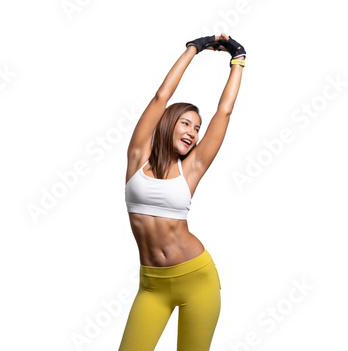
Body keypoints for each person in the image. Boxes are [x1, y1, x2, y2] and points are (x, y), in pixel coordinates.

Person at [119, 33, 246, 351]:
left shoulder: (191, 169)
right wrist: (195, 48)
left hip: (196, 279)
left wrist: (238, 60)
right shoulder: (137, 157)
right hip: (152, 287)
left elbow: (225, 112)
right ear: (169, 123)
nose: (193, 132)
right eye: (186, 124)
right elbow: (161, 96)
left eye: (197, 128)